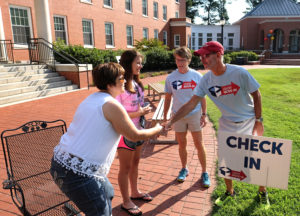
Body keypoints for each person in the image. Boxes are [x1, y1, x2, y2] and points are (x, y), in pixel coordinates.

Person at [164, 41, 270, 209]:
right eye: (201, 56)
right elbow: (191, 104)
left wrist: (258, 120)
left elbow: (256, 94)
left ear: (219, 55)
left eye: (207, 55)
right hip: (227, 122)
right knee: (226, 161)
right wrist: (171, 121)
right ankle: (230, 191)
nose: (203, 60)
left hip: (248, 121)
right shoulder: (206, 80)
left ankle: (262, 192)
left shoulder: (239, 72)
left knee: (255, 159)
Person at [50, 63, 163, 216]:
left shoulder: (92, 98)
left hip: (61, 163)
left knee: (108, 191)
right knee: (100, 212)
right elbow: (134, 135)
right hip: (76, 172)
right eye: (121, 78)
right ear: (110, 84)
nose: (124, 80)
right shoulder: (111, 105)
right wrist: (157, 129)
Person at [163, 46, 210, 187]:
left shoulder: (197, 76)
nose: (180, 63)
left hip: (194, 114)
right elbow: (167, 98)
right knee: (182, 144)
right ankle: (184, 168)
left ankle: (204, 172)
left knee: (198, 144)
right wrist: (166, 118)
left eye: (183, 60)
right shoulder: (171, 78)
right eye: (177, 60)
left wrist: (204, 114)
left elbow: (202, 98)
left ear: (189, 60)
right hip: (178, 116)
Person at [116, 50, 152, 216]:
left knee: (136, 162)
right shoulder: (120, 86)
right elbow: (117, 113)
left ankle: (135, 192)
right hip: (125, 133)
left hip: (138, 130)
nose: (140, 65)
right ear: (128, 63)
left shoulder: (137, 84)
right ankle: (125, 201)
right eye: (137, 62)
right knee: (125, 167)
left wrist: (142, 112)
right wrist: (140, 112)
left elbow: (137, 106)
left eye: (141, 62)